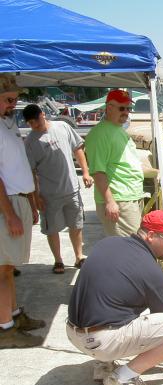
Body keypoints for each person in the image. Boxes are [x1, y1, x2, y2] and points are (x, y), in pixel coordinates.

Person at [66, 210, 163, 385]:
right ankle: (123, 378)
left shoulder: (108, 243)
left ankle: (104, 365)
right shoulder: (153, 274)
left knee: (119, 298)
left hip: (74, 334)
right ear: (151, 235)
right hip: (101, 342)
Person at [0, 74, 46, 348]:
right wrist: (10, 214)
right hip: (8, 204)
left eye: (15, 99)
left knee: (8, 268)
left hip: (17, 201)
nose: (13, 104)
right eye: (8, 99)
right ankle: (5, 329)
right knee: (2, 269)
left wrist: (30, 202)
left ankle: (13, 316)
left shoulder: (7, 125)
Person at [23, 104, 93, 274]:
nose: (34, 125)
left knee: (76, 224)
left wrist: (85, 172)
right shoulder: (30, 141)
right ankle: (58, 260)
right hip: (48, 194)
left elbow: (78, 148)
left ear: (43, 114)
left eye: (36, 120)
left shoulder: (63, 127)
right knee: (51, 228)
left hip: (72, 189)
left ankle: (79, 256)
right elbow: (31, 172)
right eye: (30, 123)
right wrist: (35, 197)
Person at [85, 89, 144, 237]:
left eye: (128, 108)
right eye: (122, 108)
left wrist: (158, 173)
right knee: (130, 249)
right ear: (109, 107)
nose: (126, 112)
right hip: (119, 200)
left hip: (129, 197)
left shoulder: (117, 130)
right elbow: (98, 171)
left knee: (133, 248)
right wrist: (110, 202)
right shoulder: (100, 134)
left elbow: (128, 164)